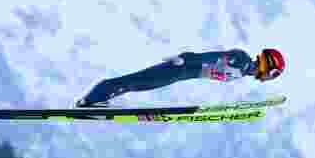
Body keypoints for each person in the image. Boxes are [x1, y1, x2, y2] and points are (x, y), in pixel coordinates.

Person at [75, 48, 285, 107]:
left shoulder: (242, 69)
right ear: (268, 68)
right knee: (132, 82)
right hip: (178, 69)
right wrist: (185, 59)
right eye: (272, 75)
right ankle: (91, 101)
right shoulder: (241, 60)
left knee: (134, 84)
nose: (268, 78)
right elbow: (212, 56)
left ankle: (91, 101)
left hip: (179, 74)